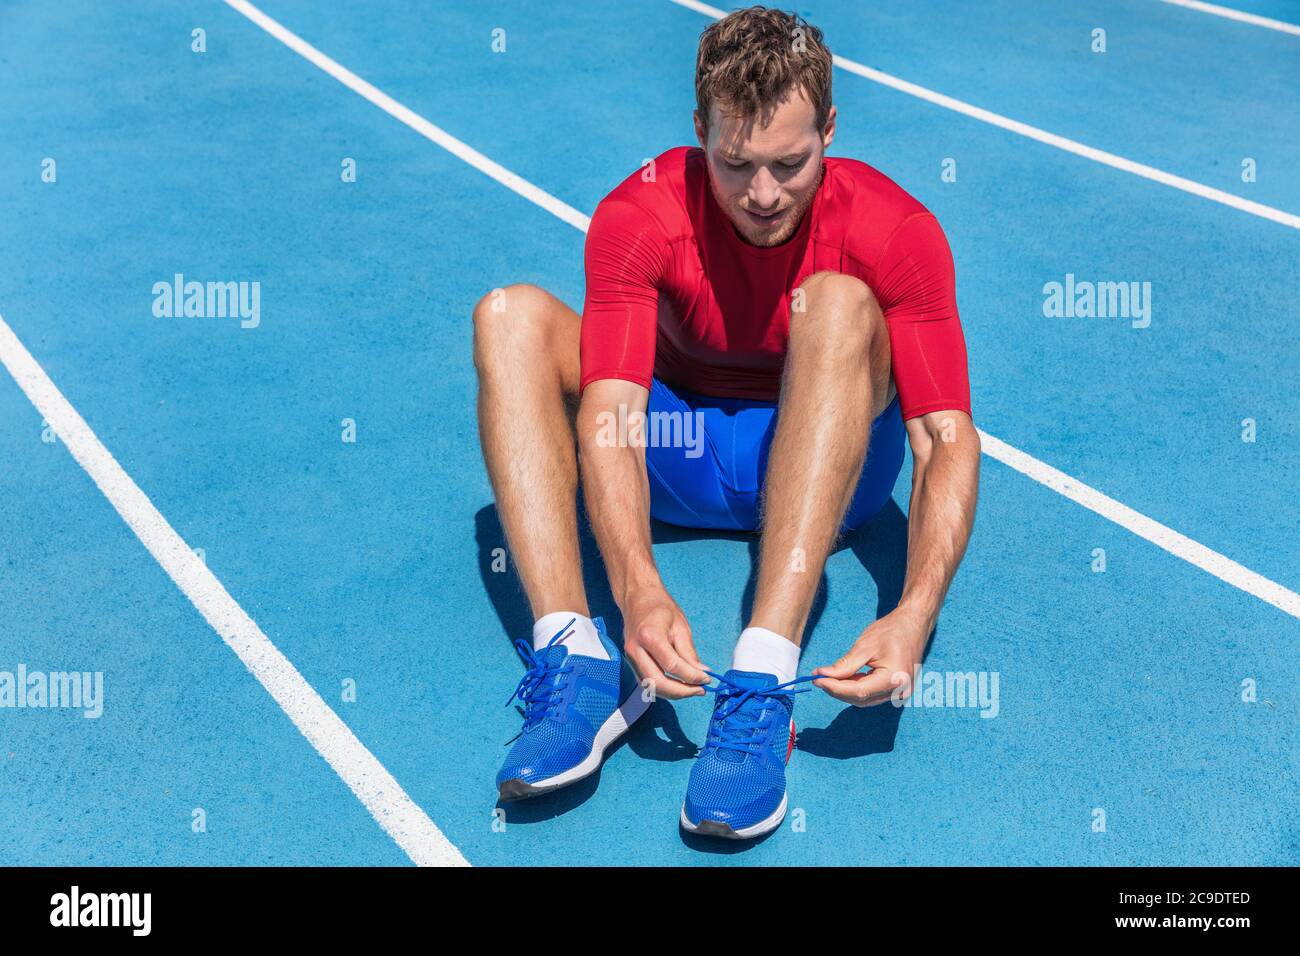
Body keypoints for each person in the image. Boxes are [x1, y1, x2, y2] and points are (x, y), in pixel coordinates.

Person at [473, 5, 979, 839]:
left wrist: (914, 613)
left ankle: (762, 678)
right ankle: (577, 655)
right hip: (683, 454)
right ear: (699, 129)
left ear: (831, 129)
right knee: (509, 316)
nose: (764, 194)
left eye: (791, 163)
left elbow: (945, 436)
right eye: (735, 164)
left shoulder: (898, 228)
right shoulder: (640, 214)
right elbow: (612, 409)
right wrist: (634, 588)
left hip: (832, 472)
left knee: (840, 304)